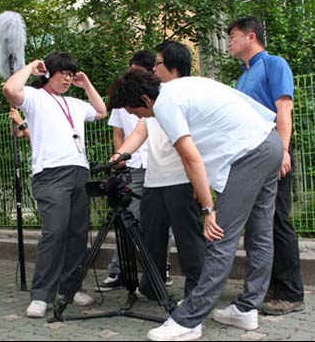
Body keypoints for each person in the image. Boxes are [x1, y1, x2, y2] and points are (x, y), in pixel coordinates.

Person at [108, 69, 283, 340]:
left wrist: (208, 209)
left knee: (218, 237)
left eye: (133, 110)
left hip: (249, 155)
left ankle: (189, 320)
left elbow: (191, 158)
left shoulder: (165, 104)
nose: (135, 117)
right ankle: (247, 309)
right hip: (270, 143)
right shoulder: (184, 87)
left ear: (145, 98)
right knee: (260, 233)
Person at [3, 52, 107, 318]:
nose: (68, 79)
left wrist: (87, 84)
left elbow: (101, 112)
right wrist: (31, 66)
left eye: (71, 75)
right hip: (50, 174)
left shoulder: (74, 101)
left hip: (79, 172)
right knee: (55, 232)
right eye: (63, 74)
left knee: (77, 233)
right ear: (49, 73)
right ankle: (41, 295)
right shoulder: (35, 98)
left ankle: (70, 289)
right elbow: (10, 88)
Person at [109, 41, 205, 300]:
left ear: (173, 66)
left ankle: (196, 292)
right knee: (152, 237)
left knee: (189, 241)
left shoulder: (187, 93)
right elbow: (141, 130)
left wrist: (202, 186)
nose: (153, 68)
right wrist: (119, 156)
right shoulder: (155, 95)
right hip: (155, 178)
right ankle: (151, 286)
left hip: (182, 178)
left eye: (157, 64)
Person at [228, 16, 304, 316]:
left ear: (250, 36)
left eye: (232, 35)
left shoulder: (274, 65)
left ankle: (291, 292)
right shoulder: (242, 77)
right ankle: (268, 288)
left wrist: (283, 151)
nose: (230, 40)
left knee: (277, 221)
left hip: (274, 152)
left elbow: (284, 108)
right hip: (252, 159)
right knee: (259, 226)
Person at [95, 50, 151, 292]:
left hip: (158, 166)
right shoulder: (121, 100)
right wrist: (119, 159)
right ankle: (120, 269)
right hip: (133, 166)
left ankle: (161, 269)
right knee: (126, 217)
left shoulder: (157, 99)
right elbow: (120, 134)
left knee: (160, 220)